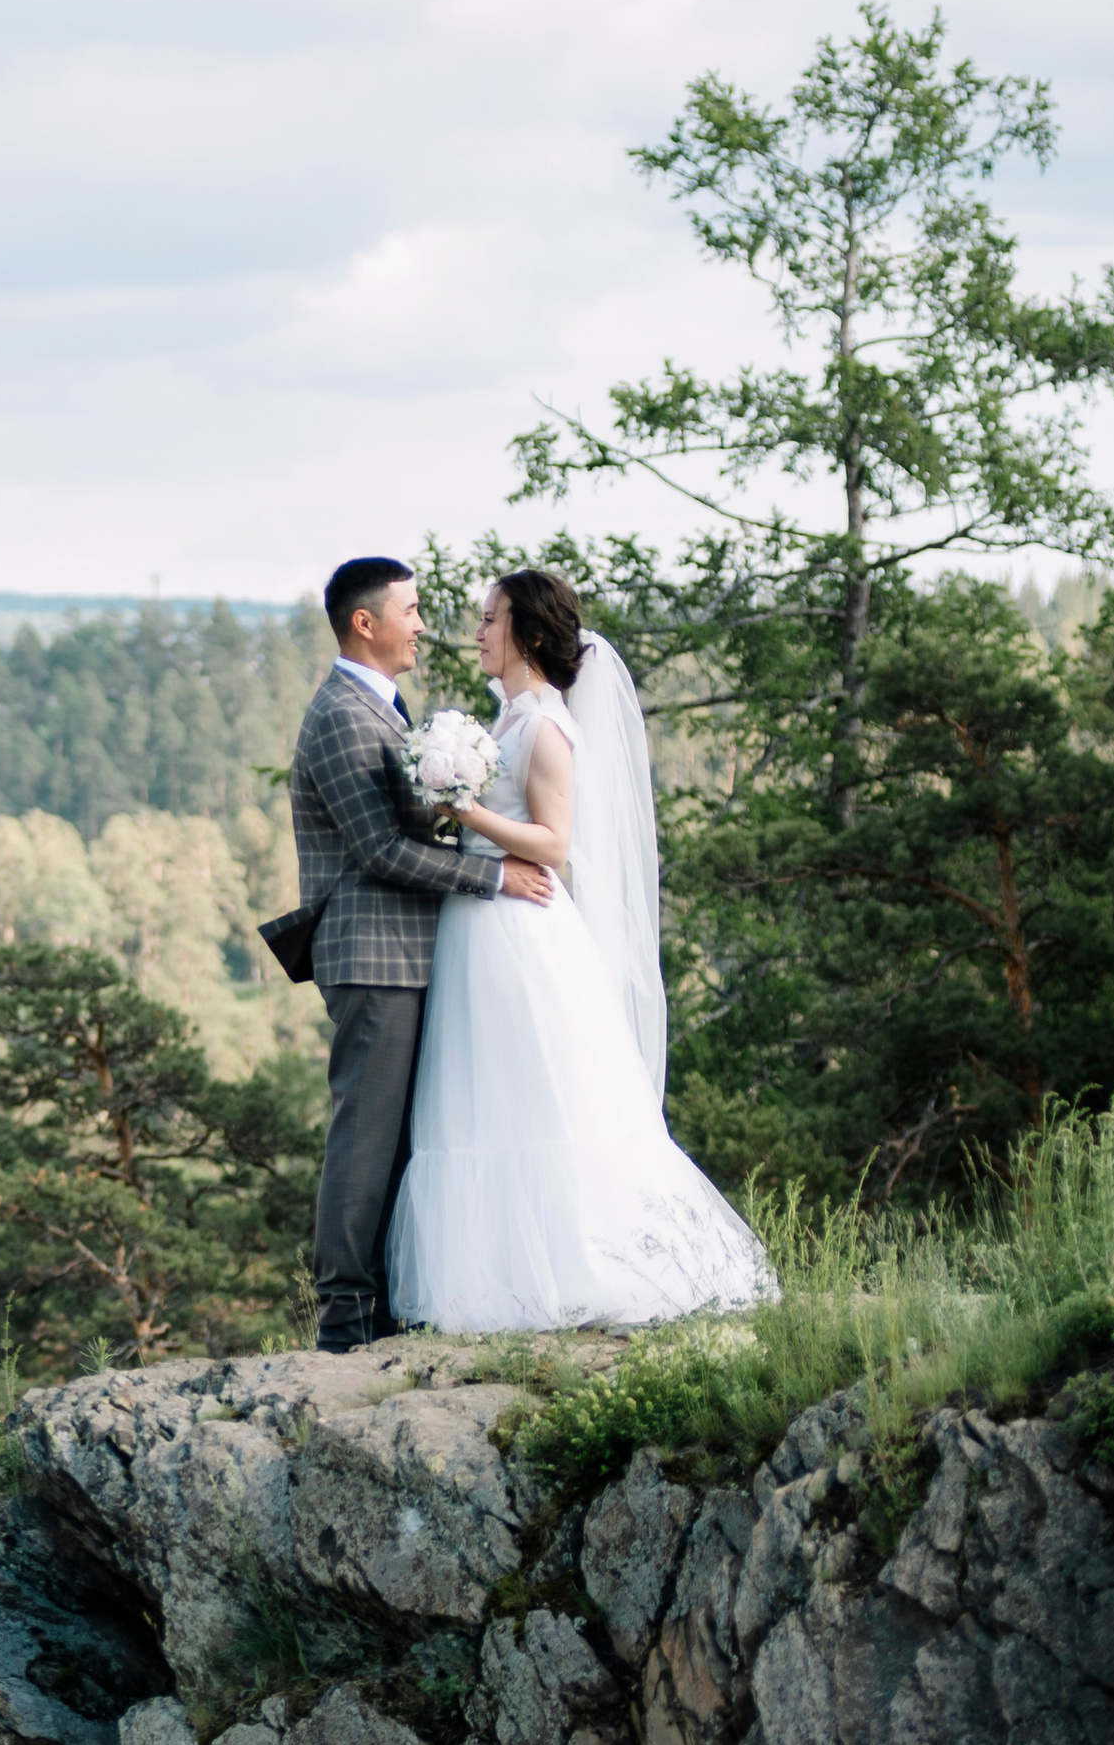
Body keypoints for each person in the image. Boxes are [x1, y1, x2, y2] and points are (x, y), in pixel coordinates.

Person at [386, 566, 773, 1333]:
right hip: (480, 926)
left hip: (521, 930)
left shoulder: (548, 728)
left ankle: (586, 1272)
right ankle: (491, 1283)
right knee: (478, 1091)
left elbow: (554, 844)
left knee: (538, 1095)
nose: (478, 632)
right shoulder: (502, 722)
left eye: (491, 619)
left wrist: (468, 812)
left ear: (527, 634)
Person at [290, 556, 556, 1354]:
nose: (422, 624)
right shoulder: (341, 714)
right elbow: (378, 852)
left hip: (406, 952)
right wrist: (492, 876)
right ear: (364, 623)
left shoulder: (382, 709)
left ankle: (387, 1301)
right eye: (410, 610)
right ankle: (345, 1317)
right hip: (371, 954)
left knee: (402, 1135)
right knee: (366, 1133)